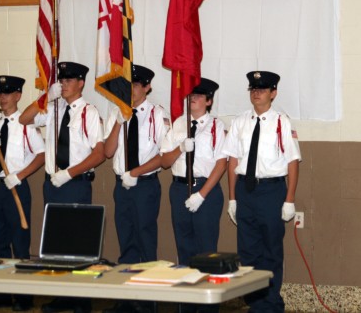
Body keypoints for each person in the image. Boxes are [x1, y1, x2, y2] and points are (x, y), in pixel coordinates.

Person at [19, 61, 104, 313]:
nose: (64, 84)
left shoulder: (88, 112)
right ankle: (62, 295)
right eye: (62, 81)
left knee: (78, 243)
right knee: (56, 243)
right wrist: (46, 96)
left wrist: (69, 173)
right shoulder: (53, 108)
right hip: (51, 185)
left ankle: (81, 300)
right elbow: (24, 119)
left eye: (69, 81)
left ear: (80, 83)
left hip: (75, 183)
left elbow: (99, 154)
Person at [222, 71, 301, 313]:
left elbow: (293, 161)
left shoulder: (281, 122)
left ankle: (271, 305)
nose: (256, 93)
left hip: (271, 191)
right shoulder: (240, 121)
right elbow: (232, 161)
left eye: (262, 89)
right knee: (248, 252)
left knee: (271, 250)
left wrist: (289, 200)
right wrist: (233, 198)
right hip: (246, 191)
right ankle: (255, 304)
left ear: (273, 93)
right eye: (253, 89)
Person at [102, 65, 170, 313]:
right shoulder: (115, 112)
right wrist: (120, 122)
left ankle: (148, 302)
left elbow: (164, 157)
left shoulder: (157, 115)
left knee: (145, 242)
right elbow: (108, 152)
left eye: (137, 85)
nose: (132, 90)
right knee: (127, 242)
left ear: (147, 87)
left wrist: (136, 172)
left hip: (145, 186)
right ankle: (126, 299)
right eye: (129, 85)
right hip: (122, 186)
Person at [0, 75, 45, 312]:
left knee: (20, 242)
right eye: (0, 94)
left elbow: (41, 154)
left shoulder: (26, 124)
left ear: (18, 96)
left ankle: (24, 295)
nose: (2, 98)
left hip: (16, 186)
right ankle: (1, 292)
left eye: (7, 93)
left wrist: (21, 175)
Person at [160, 78, 226, 313]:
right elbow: (164, 161)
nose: (192, 99)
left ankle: (208, 308)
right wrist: (180, 148)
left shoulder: (217, 127)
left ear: (209, 101)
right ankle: (186, 306)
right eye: (190, 95)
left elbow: (221, 164)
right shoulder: (178, 124)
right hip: (179, 189)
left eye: (198, 96)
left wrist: (202, 194)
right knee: (184, 250)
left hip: (205, 191)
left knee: (206, 252)